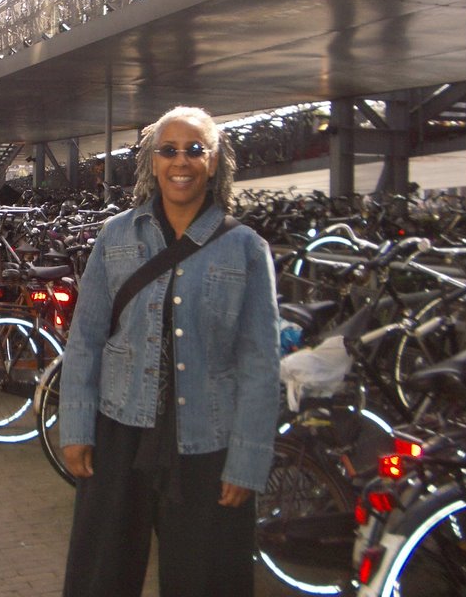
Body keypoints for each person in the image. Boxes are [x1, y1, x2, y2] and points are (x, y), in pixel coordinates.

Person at [59, 105, 280, 597]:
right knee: (102, 577)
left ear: (215, 161)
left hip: (209, 443)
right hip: (118, 433)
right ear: (152, 162)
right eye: (169, 150)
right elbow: (86, 338)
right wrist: (75, 425)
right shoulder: (116, 236)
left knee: (207, 579)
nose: (182, 161)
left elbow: (260, 364)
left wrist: (247, 459)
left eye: (195, 150)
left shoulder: (245, 248)